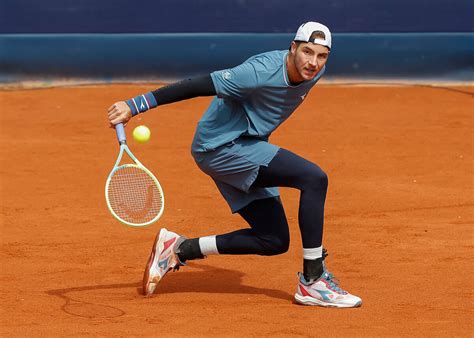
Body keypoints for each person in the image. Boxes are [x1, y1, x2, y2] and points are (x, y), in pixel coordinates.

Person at [107, 22, 362, 308]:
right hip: (219, 147)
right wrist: (135, 105)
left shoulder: (313, 71)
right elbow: (199, 85)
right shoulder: (258, 72)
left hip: (247, 146)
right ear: (292, 47)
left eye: (321, 56)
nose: (313, 63)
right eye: (306, 52)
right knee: (313, 179)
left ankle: (179, 248)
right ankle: (313, 280)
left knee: (273, 239)